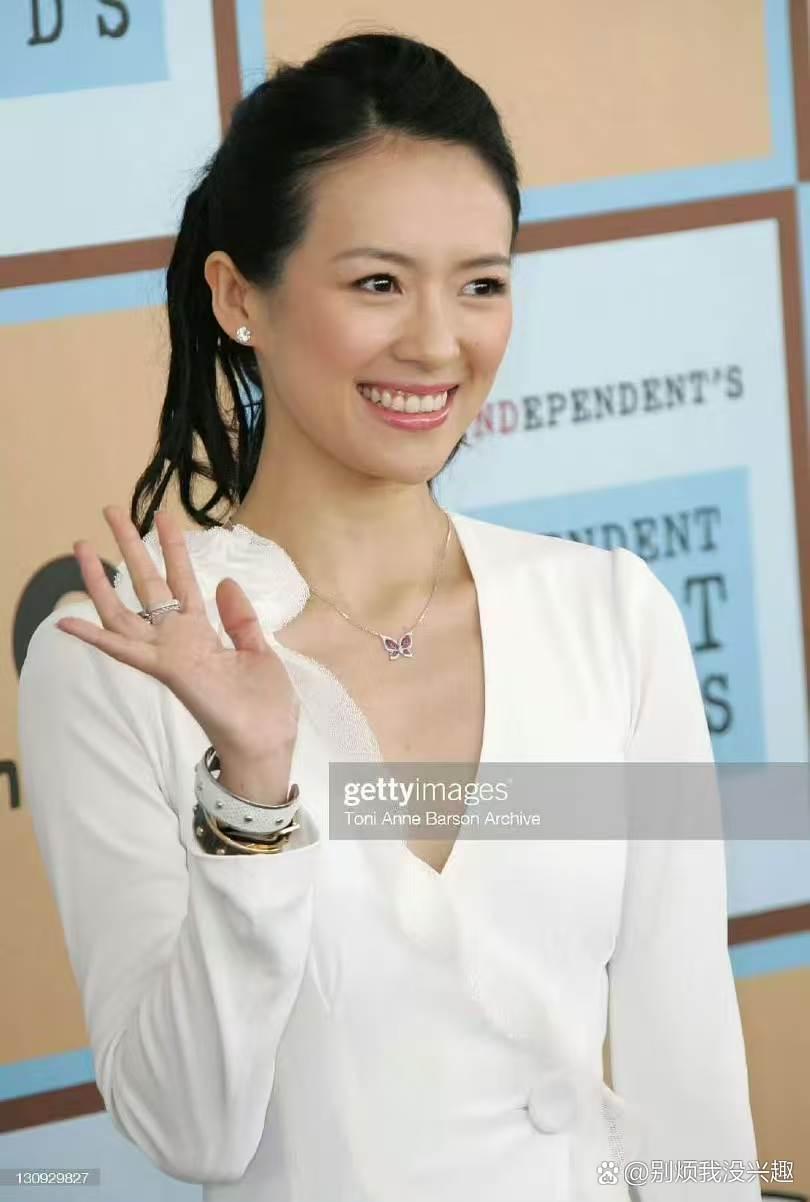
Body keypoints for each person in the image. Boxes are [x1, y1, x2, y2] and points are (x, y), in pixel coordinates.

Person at [17, 31, 760, 1202]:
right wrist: (251, 794)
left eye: (481, 283)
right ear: (238, 295)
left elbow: (689, 1071)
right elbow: (189, 1127)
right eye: (377, 283)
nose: (436, 341)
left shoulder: (609, 615)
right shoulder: (119, 664)